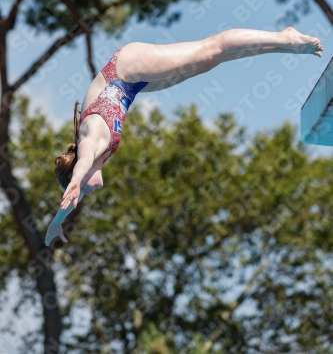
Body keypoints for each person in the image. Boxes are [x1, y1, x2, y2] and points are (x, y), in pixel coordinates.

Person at [44, 27, 323, 246]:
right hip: (131, 84)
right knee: (209, 61)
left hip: (127, 69)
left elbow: (82, 163)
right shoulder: (95, 156)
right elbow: (77, 182)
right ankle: (281, 43)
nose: (89, 192)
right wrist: (58, 220)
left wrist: (78, 180)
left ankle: (286, 39)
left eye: (83, 191)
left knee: (212, 48)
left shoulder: (90, 141)